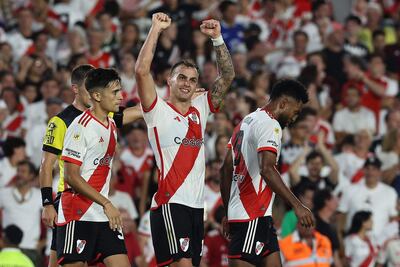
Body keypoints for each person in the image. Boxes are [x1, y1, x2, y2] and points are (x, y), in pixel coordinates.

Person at [135, 12, 234, 267]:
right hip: (171, 203)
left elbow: (228, 77)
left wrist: (218, 40)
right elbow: (141, 71)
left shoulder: (201, 105)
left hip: (195, 207)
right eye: (181, 77)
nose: (187, 84)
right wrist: (155, 29)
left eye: (192, 79)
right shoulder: (156, 110)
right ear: (169, 81)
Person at [39, 64, 143, 267]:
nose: (119, 96)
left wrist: (177, 100)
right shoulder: (62, 122)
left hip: (100, 206)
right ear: (80, 89)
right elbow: (46, 166)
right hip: (71, 202)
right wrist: (47, 204)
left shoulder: (108, 117)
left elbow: (139, 111)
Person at [220, 79, 314, 266]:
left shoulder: (247, 120)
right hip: (251, 216)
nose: (294, 119)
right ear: (283, 103)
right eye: (295, 112)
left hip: (258, 217)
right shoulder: (271, 125)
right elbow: (267, 169)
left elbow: (225, 169)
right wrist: (297, 205)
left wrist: (227, 211)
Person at [56, 68, 129, 266]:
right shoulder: (80, 127)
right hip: (78, 214)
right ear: (97, 95)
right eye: (115, 92)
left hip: (103, 216)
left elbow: (141, 111)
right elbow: (72, 176)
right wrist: (107, 203)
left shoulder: (111, 124)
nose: (121, 97)